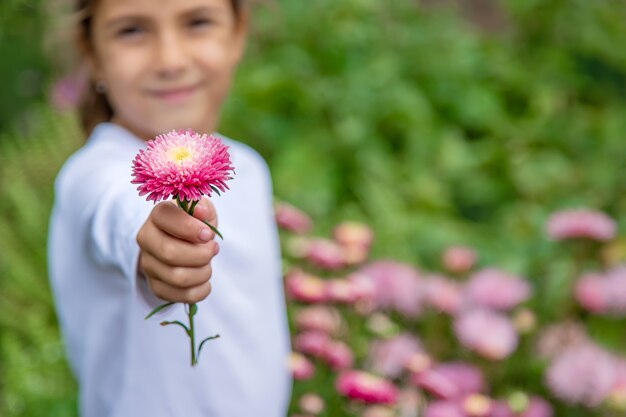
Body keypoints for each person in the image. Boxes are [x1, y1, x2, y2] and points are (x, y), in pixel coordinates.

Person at [47, 1, 291, 416]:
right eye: (132, 31)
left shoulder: (247, 168)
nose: (171, 60)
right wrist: (153, 247)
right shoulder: (92, 174)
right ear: (92, 54)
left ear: (237, 34)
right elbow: (118, 211)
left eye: (197, 22)